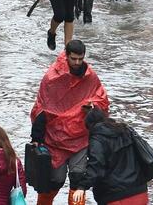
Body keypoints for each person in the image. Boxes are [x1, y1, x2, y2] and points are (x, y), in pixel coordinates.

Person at [30, 40, 109, 205]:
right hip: (55, 139)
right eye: (74, 59)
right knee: (54, 181)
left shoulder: (91, 77)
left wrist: (93, 107)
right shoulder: (52, 77)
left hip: (80, 138)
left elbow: (101, 100)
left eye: (80, 59)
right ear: (66, 56)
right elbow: (42, 107)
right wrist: (36, 137)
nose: (77, 63)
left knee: (78, 179)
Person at [71, 109, 150, 205]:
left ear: (90, 126)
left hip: (116, 197)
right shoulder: (126, 131)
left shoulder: (97, 140)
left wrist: (82, 187)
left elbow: (96, 168)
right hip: (140, 192)